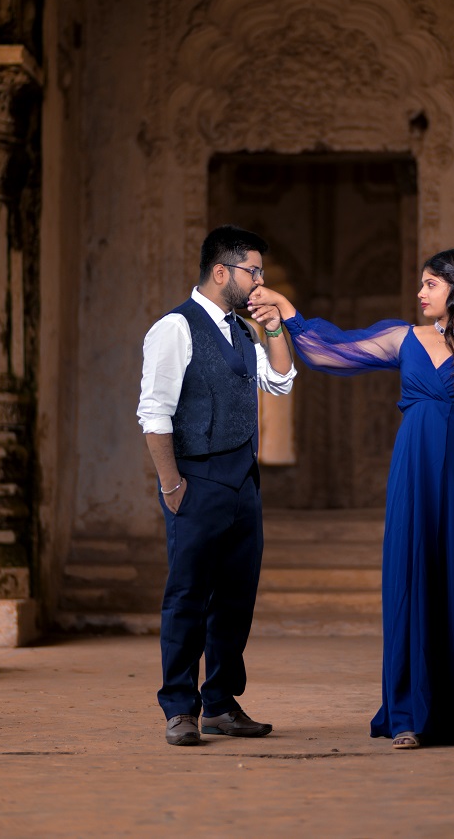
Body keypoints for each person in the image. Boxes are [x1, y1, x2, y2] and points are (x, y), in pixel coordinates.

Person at [248, 248, 454, 749]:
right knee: (413, 574)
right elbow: (329, 352)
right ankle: (408, 716)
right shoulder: (404, 338)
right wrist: (288, 311)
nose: (420, 293)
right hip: (415, 468)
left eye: (430, 284)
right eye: (421, 284)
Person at [138, 224, 296, 746]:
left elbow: (279, 381)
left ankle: (221, 703)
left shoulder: (244, 332)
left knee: (235, 597)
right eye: (254, 271)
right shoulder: (174, 328)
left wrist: (274, 327)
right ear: (221, 271)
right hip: (196, 480)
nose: (260, 282)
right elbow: (154, 413)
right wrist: (172, 486)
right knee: (188, 595)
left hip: (243, 482)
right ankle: (180, 708)